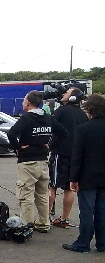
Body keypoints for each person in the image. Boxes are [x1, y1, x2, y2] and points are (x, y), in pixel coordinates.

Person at [6, 91, 67, 233]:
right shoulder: (48, 118)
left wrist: (18, 147)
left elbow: (11, 133)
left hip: (28, 161)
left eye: (24, 100)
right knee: (42, 194)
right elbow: (64, 133)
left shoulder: (26, 119)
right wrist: (51, 146)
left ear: (28, 102)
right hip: (43, 160)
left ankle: (26, 225)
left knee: (26, 194)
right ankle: (44, 223)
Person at [64, 94, 105, 253]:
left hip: (87, 176)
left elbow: (77, 156)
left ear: (90, 110)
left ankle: (83, 243)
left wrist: (73, 178)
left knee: (87, 211)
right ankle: (102, 243)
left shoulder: (83, 129)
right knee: (102, 211)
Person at [48, 87, 88, 227]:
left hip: (60, 153)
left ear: (72, 97)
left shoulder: (62, 111)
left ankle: (45, 217)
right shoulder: (83, 114)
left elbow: (51, 127)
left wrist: (50, 145)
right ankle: (64, 219)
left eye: (67, 92)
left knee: (52, 186)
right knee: (69, 188)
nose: (63, 93)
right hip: (76, 155)